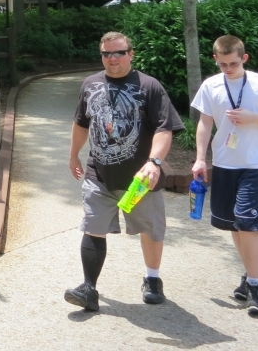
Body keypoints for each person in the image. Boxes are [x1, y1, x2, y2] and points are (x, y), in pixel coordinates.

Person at [64, 31, 183, 312]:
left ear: (131, 53)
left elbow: (165, 129)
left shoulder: (149, 86)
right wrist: (73, 155)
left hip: (140, 179)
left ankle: (152, 279)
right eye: (106, 54)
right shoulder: (90, 84)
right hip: (99, 175)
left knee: (151, 230)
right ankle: (88, 289)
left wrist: (154, 162)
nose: (112, 59)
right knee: (93, 228)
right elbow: (81, 123)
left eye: (118, 53)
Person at [191, 35, 258, 315]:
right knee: (233, 224)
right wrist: (200, 159)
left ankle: (256, 286)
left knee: (247, 221)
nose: (227, 68)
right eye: (222, 63)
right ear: (215, 59)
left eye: (233, 63)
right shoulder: (211, 85)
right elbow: (205, 123)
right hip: (226, 163)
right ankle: (249, 275)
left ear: (245, 58)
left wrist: (255, 118)